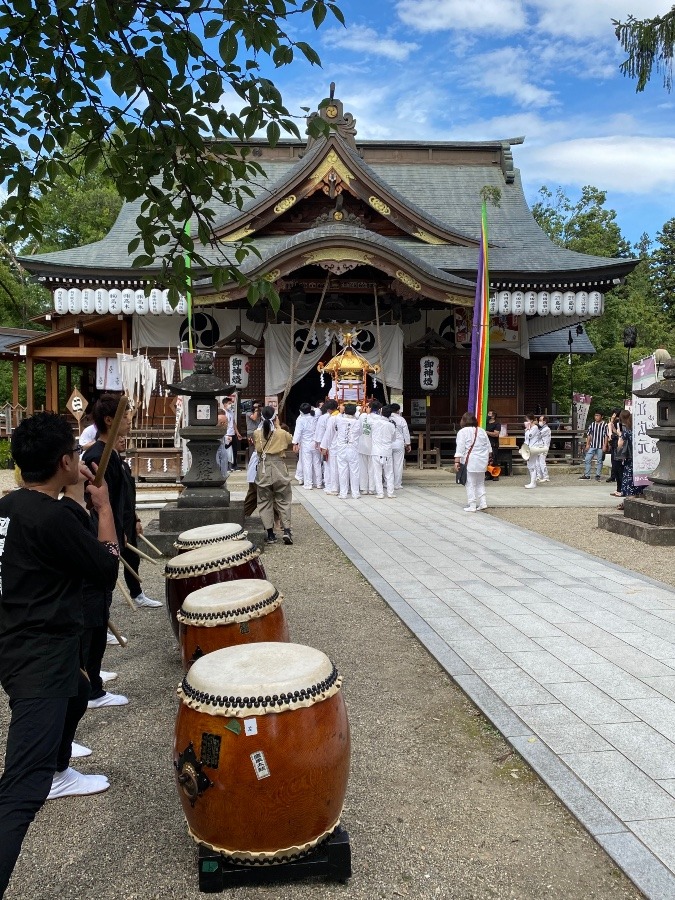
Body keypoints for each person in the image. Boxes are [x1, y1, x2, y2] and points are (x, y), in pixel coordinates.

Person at [0, 412, 120, 897]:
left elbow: (60, 530)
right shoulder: (51, 519)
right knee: (21, 788)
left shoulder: (11, 507)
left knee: (80, 688)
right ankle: (46, 776)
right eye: (74, 452)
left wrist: (74, 498)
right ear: (66, 461)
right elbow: (105, 568)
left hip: (18, 638)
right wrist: (105, 508)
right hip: (39, 656)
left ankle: (59, 764)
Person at [253, 406, 294, 545]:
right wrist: (277, 425)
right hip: (279, 467)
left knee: (264, 501)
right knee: (284, 499)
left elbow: (257, 448)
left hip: (264, 468)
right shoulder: (281, 433)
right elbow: (290, 440)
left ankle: (270, 534)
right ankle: (287, 530)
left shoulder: (256, 433)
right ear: (275, 418)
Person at [454, 412, 491, 511]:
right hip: (482, 460)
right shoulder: (482, 431)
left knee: (469, 483)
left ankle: (472, 504)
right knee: (480, 482)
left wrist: (457, 461)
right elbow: (488, 446)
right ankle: (483, 502)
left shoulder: (462, 432)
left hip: (470, 460)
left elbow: (460, 447)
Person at [333, 403, 362, 499]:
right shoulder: (358, 422)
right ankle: (355, 493)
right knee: (355, 471)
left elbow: (339, 414)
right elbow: (360, 432)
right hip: (353, 448)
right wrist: (357, 411)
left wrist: (341, 410)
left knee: (342, 471)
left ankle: (343, 493)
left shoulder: (339, 419)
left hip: (342, 449)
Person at [292, 402, 321, 490]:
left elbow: (297, 432)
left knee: (307, 464)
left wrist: (295, 443)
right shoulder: (315, 416)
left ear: (301, 411)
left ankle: (308, 484)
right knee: (317, 463)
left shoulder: (301, 419)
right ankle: (318, 483)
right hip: (315, 443)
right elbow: (318, 409)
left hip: (306, 444)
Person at [370, 404, 396, 499]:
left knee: (377, 473)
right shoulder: (391, 425)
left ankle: (380, 493)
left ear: (380, 413)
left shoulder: (374, 423)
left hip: (376, 451)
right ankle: (390, 492)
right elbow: (393, 438)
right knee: (389, 473)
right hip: (387, 451)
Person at [616, 409, 640, 509]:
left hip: (630, 459)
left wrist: (618, 434)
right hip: (642, 459)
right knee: (640, 479)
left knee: (629, 479)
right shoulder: (641, 432)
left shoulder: (627, 432)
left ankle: (629, 501)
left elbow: (620, 444)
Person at [358, 399, 380, 495]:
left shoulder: (363, 417)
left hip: (362, 445)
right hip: (374, 446)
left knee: (363, 468)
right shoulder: (380, 419)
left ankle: (364, 488)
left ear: (369, 408)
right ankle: (372, 488)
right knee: (373, 468)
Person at [389, 403, 411, 491]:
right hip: (399, 443)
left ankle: (388, 483)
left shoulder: (387, 418)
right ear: (398, 410)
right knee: (398, 464)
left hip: (389, 443)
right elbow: (406, 432)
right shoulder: (401, 419)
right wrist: (408, 443)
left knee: (388, 464)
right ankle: (397, 484)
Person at [579, 410, 606, 481]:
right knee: (587, 459)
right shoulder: (592, 424)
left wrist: (605, 445)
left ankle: (598, 475)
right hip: (592, 444)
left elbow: (606, 436)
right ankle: (587, 475)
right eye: (595, 415)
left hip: (600, 445)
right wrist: (587, 444)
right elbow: (589, 435)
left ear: (601, 416)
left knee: (599, 460)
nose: (596, 417)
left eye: (598, 415)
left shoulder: (605, 425)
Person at [523, 414, 545, 489]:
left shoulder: (534, 427)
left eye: (527, 420)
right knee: (530, 464)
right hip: (529, 447)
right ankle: (532, 482)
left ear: (531, 420)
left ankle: (533, 482)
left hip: (533, 447)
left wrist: (528, 429)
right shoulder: (530, 428)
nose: (526, 422)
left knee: (531, 465)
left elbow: (530, 436)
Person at [606, 409, 622, 491]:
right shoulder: (617, 423)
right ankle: (619, 488)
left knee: (617, 467)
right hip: (615, 446)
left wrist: (610, 425)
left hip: (618, 447)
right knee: (616, 466)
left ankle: (620, 489)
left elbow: (611, 436)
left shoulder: (619, 423)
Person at [535, 415, 552, 483]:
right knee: (537, 462)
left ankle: (546, 476)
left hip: (544, 447)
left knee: (542, 462)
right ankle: (538, 476)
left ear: (544, 421)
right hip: (538, 446)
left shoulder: (546, 429)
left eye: (540, 420)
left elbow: (537, 435)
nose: (539, 422)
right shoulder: (541, 428)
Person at [485, 410, 501, 478]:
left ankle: (495, 475)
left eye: (489, 414)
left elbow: (496, 434)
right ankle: (488, 474)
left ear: (493, 416)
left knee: (494, 459)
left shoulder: (497, 424)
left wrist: (486, 432)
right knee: (487, 460)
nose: (488, 415)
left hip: (493, 443)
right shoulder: (485, 423)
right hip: (486, 444)